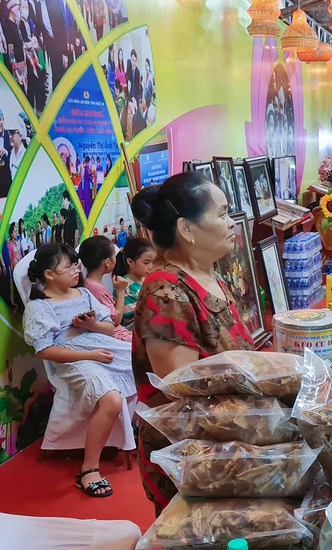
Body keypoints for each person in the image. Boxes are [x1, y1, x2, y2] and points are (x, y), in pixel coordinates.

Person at [130, 173, 255, 514]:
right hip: (193, 456)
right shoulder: (166, 292)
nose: (232, 222)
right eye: (222, 213)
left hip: (229, 439)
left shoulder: (209, 273)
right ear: (186, 229)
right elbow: (180, 391)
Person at [22, 244, 135, 498]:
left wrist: (91, 324)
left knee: (147, 363)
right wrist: (90, 355)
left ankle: (147, 434)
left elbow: (109, 329)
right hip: (74, 359)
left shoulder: (83, 294)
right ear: (49, 274)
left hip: (103, 347)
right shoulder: (40, 308)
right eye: (69, 266)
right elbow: (46, 351)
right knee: (112, 399)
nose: (76, 270)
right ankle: (88, 469)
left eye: (76, 265)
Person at [79, 236, 132, 343]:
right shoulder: (95, 289)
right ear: (107, 262)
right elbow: (116, 320)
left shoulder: (88, 284)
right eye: (114, 256)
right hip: (115, 336)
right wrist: (121, 291)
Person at [112, 237, 155, 329]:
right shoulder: (124, 286)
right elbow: (132, 317)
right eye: (146, 263)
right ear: (130, 262)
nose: (151, 267)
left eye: (153, 262)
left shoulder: (148, 279)